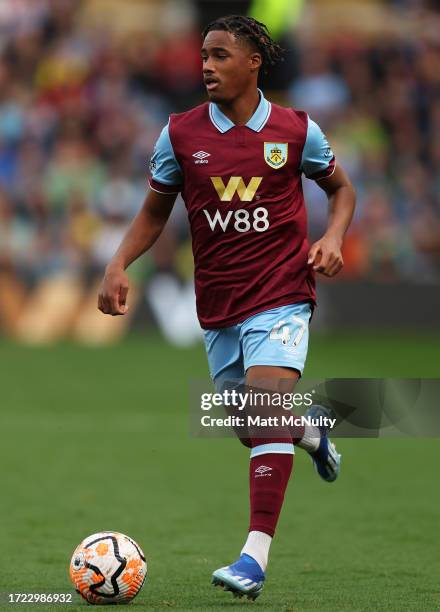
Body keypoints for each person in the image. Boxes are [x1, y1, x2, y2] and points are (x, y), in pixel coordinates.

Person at [98, 14, 356, 601]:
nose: (207, 66)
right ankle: (310, 432)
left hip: (283, 293)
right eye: (204, 56)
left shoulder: (296, 130)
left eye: (219, 55)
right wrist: (117, 264)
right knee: (249, 427)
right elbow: (155, 210)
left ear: (252, 63)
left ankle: (253, 558)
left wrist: (334, 237)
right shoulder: (180, 134)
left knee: (264, 409)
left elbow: (342, 189)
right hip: (218, 304)